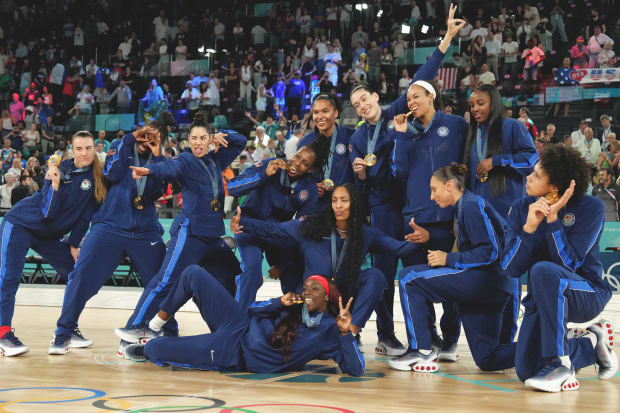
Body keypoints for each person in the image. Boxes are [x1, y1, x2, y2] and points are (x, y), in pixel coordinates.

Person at [349, 4, 464, 356]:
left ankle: (428, 335)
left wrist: (445, 38)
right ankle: (385, 334)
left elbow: (424, 75)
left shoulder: (396, 112)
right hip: (385, 210)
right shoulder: (356, 139)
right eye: (355, 105)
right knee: (384, 275)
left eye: (364, 99)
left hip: (415, 207)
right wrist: (361, 182)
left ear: (376, 98)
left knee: (419, 273)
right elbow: (358, 183)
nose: (361, 106)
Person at [49, 113, 176, 355]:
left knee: (162, 281)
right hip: (109, 225)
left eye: (154, 136)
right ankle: (63, 332)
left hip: (145, 230)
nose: (146, 137)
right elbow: (111, 174)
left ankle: (167, 331)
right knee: (81, 275)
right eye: (145, 131)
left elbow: (153, 193)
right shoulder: (120, 145)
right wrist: (128, 140)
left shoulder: (162, 161)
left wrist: (157, 156)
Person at [229, 183, 419, 343]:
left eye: (344, 201)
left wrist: (424, 237)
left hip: (343, 301)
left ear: (354, 204)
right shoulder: (312, 225)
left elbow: (400, 248)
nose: (338, 205)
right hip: (314, 300)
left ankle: (351, 333)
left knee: (376, 276)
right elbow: (272, 230)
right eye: (335, 200)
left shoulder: (364, 233)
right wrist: (242, 222)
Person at [116, 113, 246, 339]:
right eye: (194, 138)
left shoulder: (217, 160)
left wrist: (219, 136)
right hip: (191, 234)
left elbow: (240, 141)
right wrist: (152, 169)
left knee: (230, 276)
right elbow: (170, 169)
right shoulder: (186, 161)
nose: (198, 142)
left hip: (213, 238)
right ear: (188, 141)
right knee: (166, 280)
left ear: (209, 140)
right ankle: (136, 326)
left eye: (203, 138)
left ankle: (229, 330)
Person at [501, 144, 617, 392]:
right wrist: (529, 229)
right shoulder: (522, 209)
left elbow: (569, 265)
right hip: (541, 296)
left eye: (537, 176)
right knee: (525, 370)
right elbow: (510, 268)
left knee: (543, 270)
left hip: (586, 292)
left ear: (554, 187)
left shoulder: (591, 208)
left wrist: (553, 221)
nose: (528, 178)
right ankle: (592, 344)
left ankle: (559, 364)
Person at [116, 268, 365, 376]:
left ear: (328, 296)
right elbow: (249, 310)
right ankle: (154, 326)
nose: (308, 292)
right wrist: (278, 303)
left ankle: (151, 345)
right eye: (306, 287)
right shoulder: (293, 306)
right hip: (238, 324)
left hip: (234, 353)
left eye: (315, 289)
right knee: (193, 273)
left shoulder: (330, 330)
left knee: (154, 349)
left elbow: (356, 369)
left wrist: (346, 334)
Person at [389, 163, 514, 373]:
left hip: (490, 280)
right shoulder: (466, 206)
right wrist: (431, 239)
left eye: (433, 189)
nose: (431, 196)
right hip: (494, 286)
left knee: (409, 277)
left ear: (449, 186)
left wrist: (448, 258)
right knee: (488, 359)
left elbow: (490, 252)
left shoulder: (471, 204)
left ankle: (421, 351)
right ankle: (554, 351)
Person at [0, 131, 106, 357]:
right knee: (9, 278)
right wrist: (55, 185)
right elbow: (47, 212)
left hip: (48, 235)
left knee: (78, 276)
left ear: (95, 148)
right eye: (79, 149)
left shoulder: (97, 177)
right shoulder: (59, 170)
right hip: (20, 225)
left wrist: (74, 244)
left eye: (88, 148)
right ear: (72, 149)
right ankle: (3, 334)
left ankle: (67, 328)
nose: (84, 153)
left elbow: (85, 216)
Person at [465, 84, 537, 343]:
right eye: (472, 105)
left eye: (480, 103)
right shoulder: (473, 135)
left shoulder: (513, 127)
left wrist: (496, 161)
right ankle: (491, 338)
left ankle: (509, 337)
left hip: (508, 217)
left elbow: (531, 160)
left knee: (509, 275)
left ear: (493, 103)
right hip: (480, 219)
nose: (475, 109)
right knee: (486, 276)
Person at [228, 146, 319, 308]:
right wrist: (263, 175)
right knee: (252, 270)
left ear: (310, 170)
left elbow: (301, 229)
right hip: (247, 227)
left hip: (275, 233)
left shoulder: (309, 188)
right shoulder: (271, 164)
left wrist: (282, 265)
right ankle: (240, 320)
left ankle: (296, 318)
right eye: (297, 157)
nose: (297, 163)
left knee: (294, 268)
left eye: (304, 163)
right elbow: (233, 187)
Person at [297, 94, 354, 208]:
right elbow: (299, 180)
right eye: (316, 112)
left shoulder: (350, 136)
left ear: (335, 113)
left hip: (345, 205)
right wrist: (312, 188)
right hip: (316, 207)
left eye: (325, 111)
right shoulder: (304, 143)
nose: (320, 116)